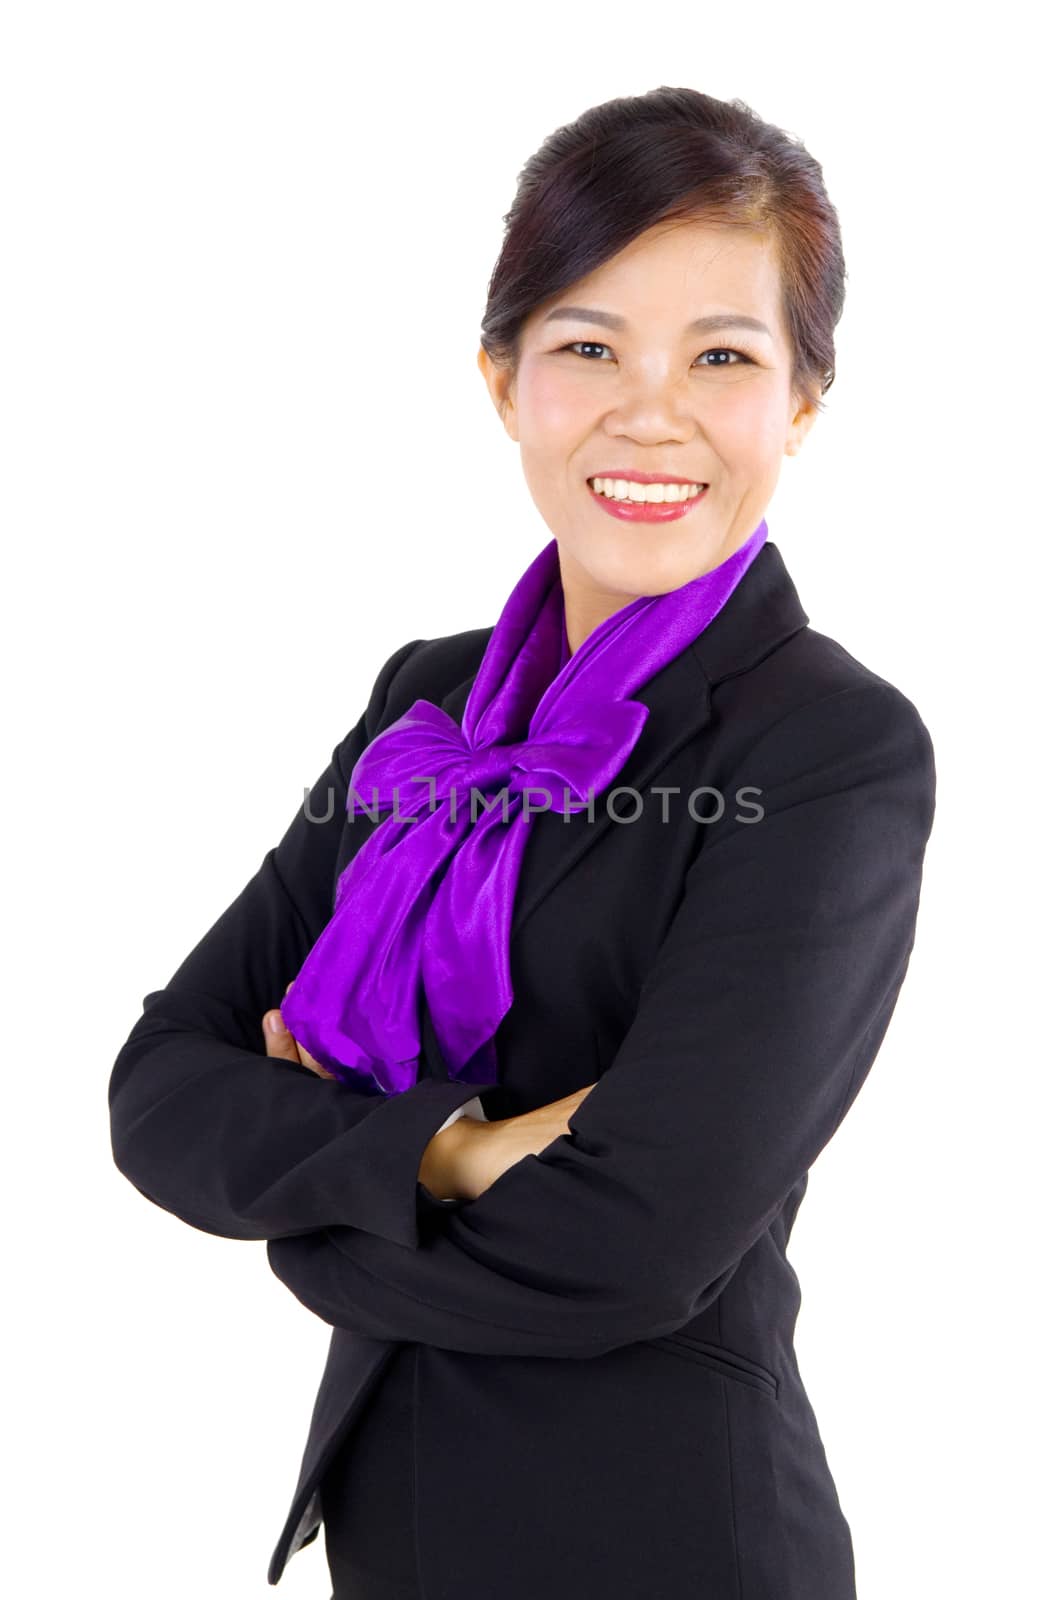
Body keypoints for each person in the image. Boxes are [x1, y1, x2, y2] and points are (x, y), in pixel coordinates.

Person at [109, 85, 937, 1599]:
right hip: (397, 1519)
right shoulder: (423, 701)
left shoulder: (826, 747)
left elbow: (635, 1242)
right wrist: (458, 1149)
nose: (651, 411)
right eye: (587, 346)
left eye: (725, 358)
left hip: (667, 1537)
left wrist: (311, 1207)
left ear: (802, 406)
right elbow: (161, 1088)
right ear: (503, 380)